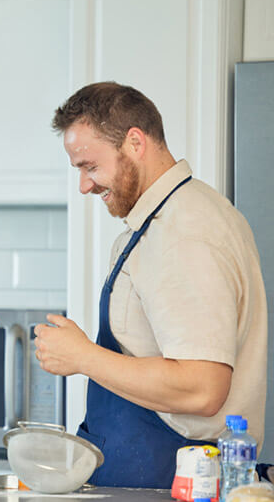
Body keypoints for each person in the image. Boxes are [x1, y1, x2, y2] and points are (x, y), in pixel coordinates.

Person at [34, 81, 267, 489]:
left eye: (90, 166)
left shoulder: (183, 231)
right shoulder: (168, 218)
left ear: (135, 143)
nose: (84, 186)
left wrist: (84, 357)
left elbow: (202, 388)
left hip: (165, 480)